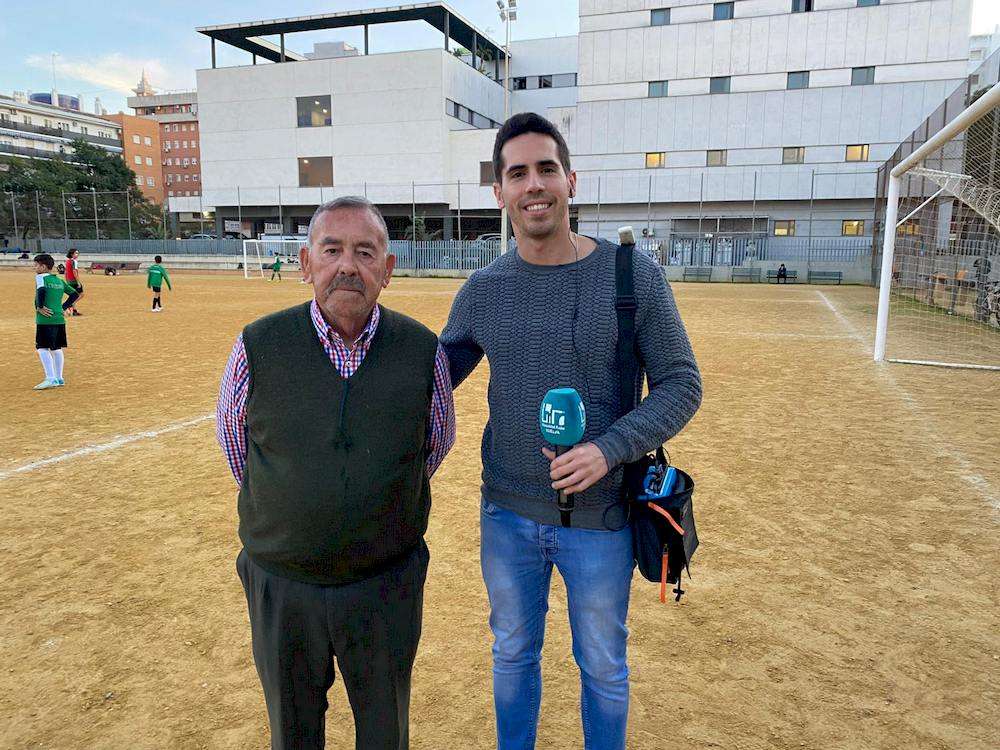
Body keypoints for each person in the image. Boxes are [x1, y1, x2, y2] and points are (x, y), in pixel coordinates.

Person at [440, 112, 702, 750]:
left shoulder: (631, 275)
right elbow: (433, 379)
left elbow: (681, 383)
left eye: (546, 169)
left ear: (571, 180)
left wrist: (608, 451)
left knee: (604, 667)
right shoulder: (483, 290)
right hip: (506, 515)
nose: (534, 184)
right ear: (499, 192)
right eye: (517, 173)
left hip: (601, 521)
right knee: (511, 655)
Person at [216, 196, 456, 750]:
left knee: (385, 730)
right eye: (332, 250)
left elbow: (435, 444)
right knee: (293, 730)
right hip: (282, 584)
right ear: (306, 263)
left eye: (365, 252)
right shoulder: (257, 345)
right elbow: (237, 448)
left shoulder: (422, 350)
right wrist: (296, 505)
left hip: (385, 585)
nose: (348, 265)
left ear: (387, 270)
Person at [32, 253, 79, 390]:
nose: (34, 268)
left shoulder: (40, 277)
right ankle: (59, 378)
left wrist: (40, 307)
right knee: (56, 348)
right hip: (59, 318)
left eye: (36, 265)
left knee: (42, 348)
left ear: (43, 267)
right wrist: (63, 307)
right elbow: (74, 294)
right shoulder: (58, 280)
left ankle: (50, 378)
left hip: (45, 319)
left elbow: (41, 291)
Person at [64, 248, 84, 316]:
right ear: (72, 254)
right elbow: (74, 271)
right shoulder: (74, 261)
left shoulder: (67, 261)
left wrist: (67, 280)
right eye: (76, 253)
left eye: (77, 253)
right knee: (81, 294)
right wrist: (78, 281)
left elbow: (66, 272)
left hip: (69, 281)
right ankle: (70, 305)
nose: (77, 254)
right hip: (74, 281)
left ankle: (74, 311)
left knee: (74, 295)